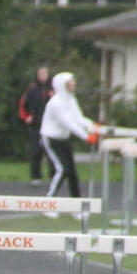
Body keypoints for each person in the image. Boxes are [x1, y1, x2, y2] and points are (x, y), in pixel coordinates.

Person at [39, 71, 97, 200]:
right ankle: (49, 201)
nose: (73, 86)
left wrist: (92, 126)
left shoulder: (71, 99)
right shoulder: (56, 103)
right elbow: (69, 123)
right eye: (70, 84)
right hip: (51, 139)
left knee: (72, 173)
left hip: (63, 139)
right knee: (62, 169)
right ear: (62, 86)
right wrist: (86, 137)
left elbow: (78, 118)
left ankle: (76, 205)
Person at [18, 65, 52, 184]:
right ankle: (36, 176)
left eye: (44, 73)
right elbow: (22, 104)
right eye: (40, 73)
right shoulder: (32, 89)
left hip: (50, 126)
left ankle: (54, 176)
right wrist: (26, 117)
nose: (42, 76)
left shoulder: (52, 89)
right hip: (36, 126)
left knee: (51, 151)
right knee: (35, 151)